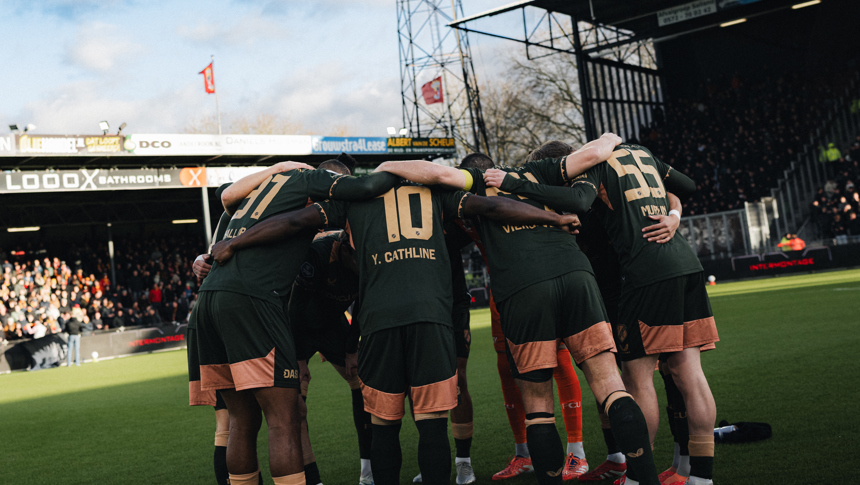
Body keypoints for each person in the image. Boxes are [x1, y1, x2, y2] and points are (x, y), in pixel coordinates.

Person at [210, 174, 581, 485]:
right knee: (432, 424)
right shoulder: (435, 190)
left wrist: (232, 242)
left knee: (383, 423)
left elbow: (291, 221)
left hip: (378, 322)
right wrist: (555, 219)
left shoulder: (356, 196)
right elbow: (494, 207)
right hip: (431, 318)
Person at [374, 133, 661, 485]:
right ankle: (643, 478)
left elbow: (434, 173)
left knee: (539, 407)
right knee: (611, 386)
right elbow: (593, 153)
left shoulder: (477, 185)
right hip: (576, 275)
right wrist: (612, 138)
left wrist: (386, 165)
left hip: (523, 288)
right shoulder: (541, 170)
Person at [487, 142, 719, 485]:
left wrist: (515, 183)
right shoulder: (638, 153)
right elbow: (679, 188)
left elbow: (580, 202)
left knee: (635, 382)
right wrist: (674, 216)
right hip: (683, 266)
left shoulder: (585, 179)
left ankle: (641, 475)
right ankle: (695, 475)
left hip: (637, 281)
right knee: (686, 373)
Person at [195, 157, 399, 485]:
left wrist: (275, 170)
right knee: (284, 420)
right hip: (254, 300)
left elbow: (224, 195)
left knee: (241, 421)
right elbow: (367, 186)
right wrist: (409, 169)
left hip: (208, 300)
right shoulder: (313, 182)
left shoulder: (262, 186)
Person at [287, 231, 372, 485]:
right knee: (295, 406)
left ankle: (368, 472)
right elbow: (295, 307)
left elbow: (361, 305)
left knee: (362, 383)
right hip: (298, 327)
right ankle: (312, 479)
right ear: (345, 249)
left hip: (333, 324)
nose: (362, 266)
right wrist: (300, 359)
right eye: (358, 259)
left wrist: (350, 349)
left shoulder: (367, 254)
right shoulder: (317, 253)